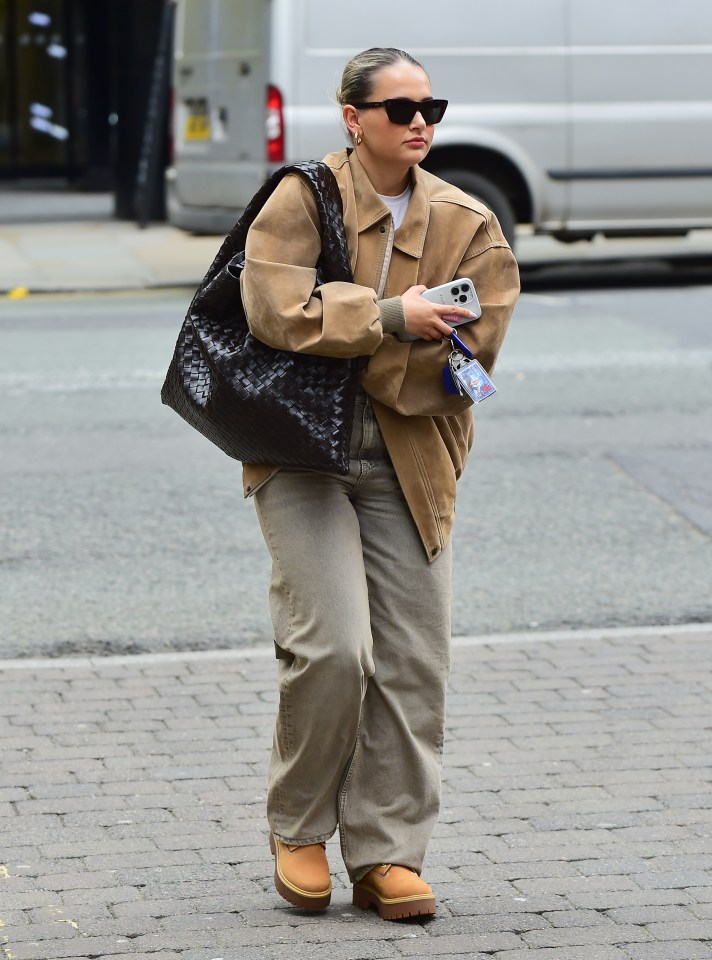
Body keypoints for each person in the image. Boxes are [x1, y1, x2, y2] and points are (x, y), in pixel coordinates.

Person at [240, 47, 519, 920]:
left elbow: (473, 350)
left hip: (412, 454)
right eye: (398, 109)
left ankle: (387, 852)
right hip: (301, 450)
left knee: (411, 660)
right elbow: (275, 311)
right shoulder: (303, 198)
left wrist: (354, 336)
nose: (419, 122)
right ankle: (298, 826)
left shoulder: (468, 220)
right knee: (333, 648)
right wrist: (392, 318)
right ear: (353, 118)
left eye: (429, 105)